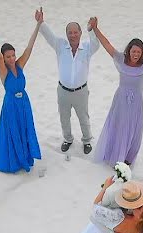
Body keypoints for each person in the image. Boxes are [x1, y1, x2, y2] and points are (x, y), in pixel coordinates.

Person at [90, 17, 143, 166]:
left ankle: (127, 156)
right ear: (129, 51)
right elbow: (107, 45)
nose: (135, 54)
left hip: (136, 103)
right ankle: (114, 152)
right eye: (133, 51)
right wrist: (96, 29)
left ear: (142, 53)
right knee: (117, 126)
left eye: (138, 52)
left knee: (132, 129)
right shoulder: (120, 59)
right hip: (120, 101)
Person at [36, 7, 99, 154]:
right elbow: (48, 35)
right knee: (64, 118)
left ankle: (87, 140)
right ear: (66, 34)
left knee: (84, 117)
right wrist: (41, 22)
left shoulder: (88, 47)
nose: (73, 35)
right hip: (63, 90)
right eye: (70, 33)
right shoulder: (60, 45)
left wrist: (91, 29)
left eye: (75, 32)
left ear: (80, 33)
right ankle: (68, 139)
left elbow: (96, 44)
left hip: (81, 91)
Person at [0, 24, 42, 174]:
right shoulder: (3, 70)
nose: (11, 59)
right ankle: (14, 160)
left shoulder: (19, 64)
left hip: (23, 103)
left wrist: (38, 25)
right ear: (4, 57)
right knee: (12, 131)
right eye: (8, 56)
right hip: (11, 105)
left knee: (25, 128)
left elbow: (29, 48)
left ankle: (25, 156)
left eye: (13, 55)